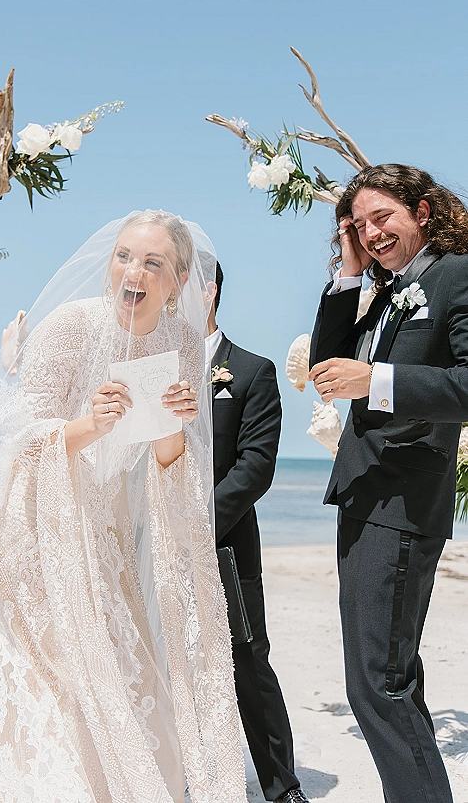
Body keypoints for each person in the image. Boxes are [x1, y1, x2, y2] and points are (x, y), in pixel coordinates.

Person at [0, 211, 248, 803]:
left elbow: (170, 465)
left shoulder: (183, 342)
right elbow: (21, 438)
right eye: (123, 255)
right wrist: (93, 422)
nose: (132, 272)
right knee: (50, 672)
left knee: (118, 658)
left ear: (180, 278)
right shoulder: (69, 325)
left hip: (108, 526)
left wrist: (176, 423)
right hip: (39, 523)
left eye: (152, 262)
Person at [309, 163, 468, 803]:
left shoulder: (456, 274)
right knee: (388, 675)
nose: (372, 233)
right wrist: (348, 266)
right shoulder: (383, 286)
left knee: (378, 680)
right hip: (366, 494)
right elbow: (327, 364)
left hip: (403, 499)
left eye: (383, 218)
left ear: (424, 212)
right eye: (359, 224)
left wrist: (376, 379)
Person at [204, 259, 310, 803]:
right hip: (151, 542)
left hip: (225, 542)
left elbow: (255, 466)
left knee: (246, 659)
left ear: (208, 290)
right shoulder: (150, 370)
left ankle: (280, 785)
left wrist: (195, 522)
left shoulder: (250, 370)